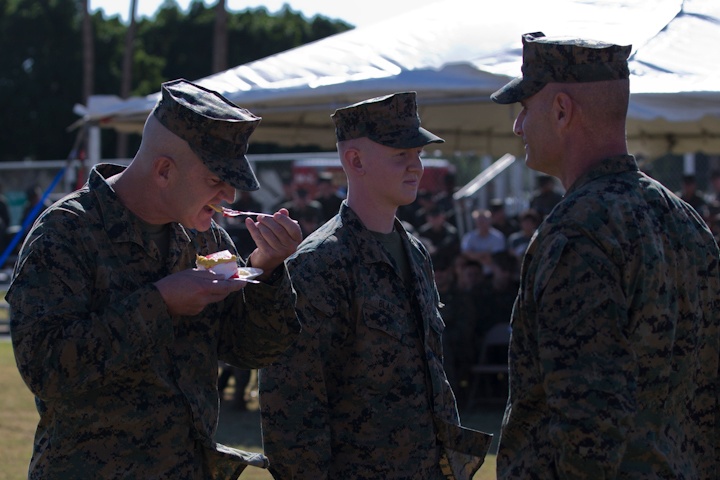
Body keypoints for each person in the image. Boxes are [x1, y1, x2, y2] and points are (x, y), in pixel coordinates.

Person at [6, 79, 303, 479]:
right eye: (217, 180)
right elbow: (44, 369)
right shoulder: (66, 232)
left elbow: (251, 350)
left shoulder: (204, 234)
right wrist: (159, 303)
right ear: (164, 171)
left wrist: (266, 267)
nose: (229, 197)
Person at [490, 32, 720, 478]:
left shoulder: (577, 232)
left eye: (525, 108)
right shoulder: (686, 223)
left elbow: (587, 433)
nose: (518, 126)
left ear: (561, 111)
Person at [259, 91, 492, 479]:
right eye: (401, 154)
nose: (416, 166)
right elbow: (293, 408)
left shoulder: (415, 250)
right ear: (355, 160)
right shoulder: (318, 264)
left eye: (418, 154)